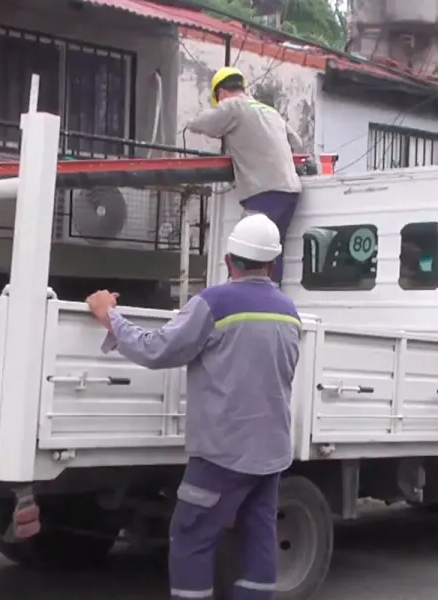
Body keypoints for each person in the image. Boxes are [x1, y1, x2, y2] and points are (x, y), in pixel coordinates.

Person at [85, 213, 301, 600]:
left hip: (222, 453)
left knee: (191, 536)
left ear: (228, 260)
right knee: (258, 539)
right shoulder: (288, 311)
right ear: (272, 264)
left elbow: (157, 350)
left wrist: (109, 316)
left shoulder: (215, 303)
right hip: (270, 453)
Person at [187, 66, 303, 286]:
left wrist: (189, 123)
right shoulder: (270, 111)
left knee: (243, 250)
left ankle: (239, 298)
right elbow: (296, 143)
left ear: (221, 93)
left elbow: (203, 123)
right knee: (272, 251)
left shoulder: (233, 105)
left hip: (264, 191)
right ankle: (271, 297)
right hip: (290, 191)